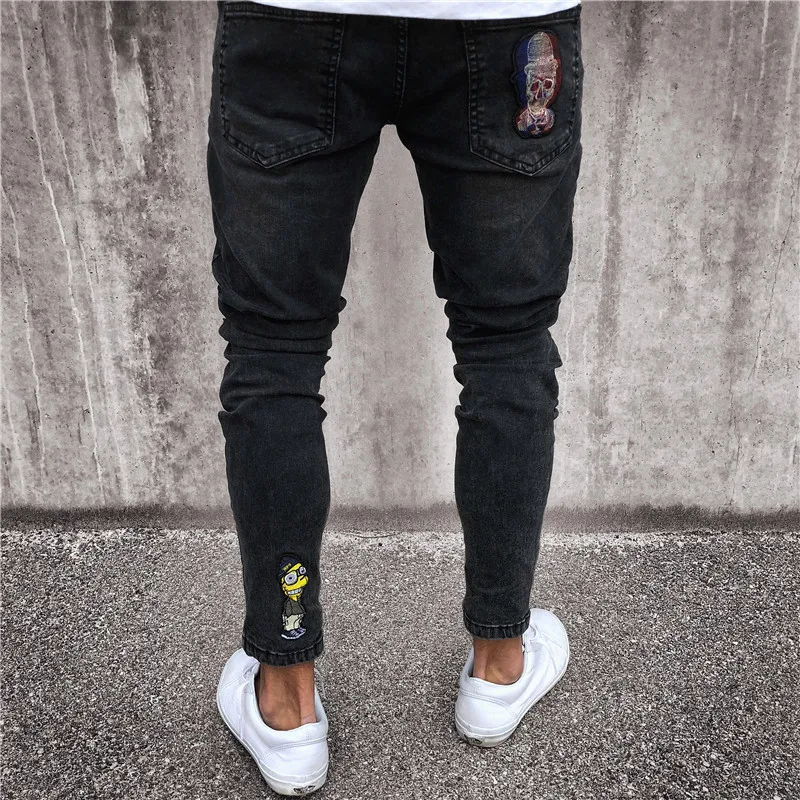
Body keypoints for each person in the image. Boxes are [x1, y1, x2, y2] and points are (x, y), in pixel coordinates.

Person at [207, 0, 583, 793]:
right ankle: (499, 667)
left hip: (291, 16)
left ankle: (286, 704)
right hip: (504, 19)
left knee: (275, 352)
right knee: (506, 343)